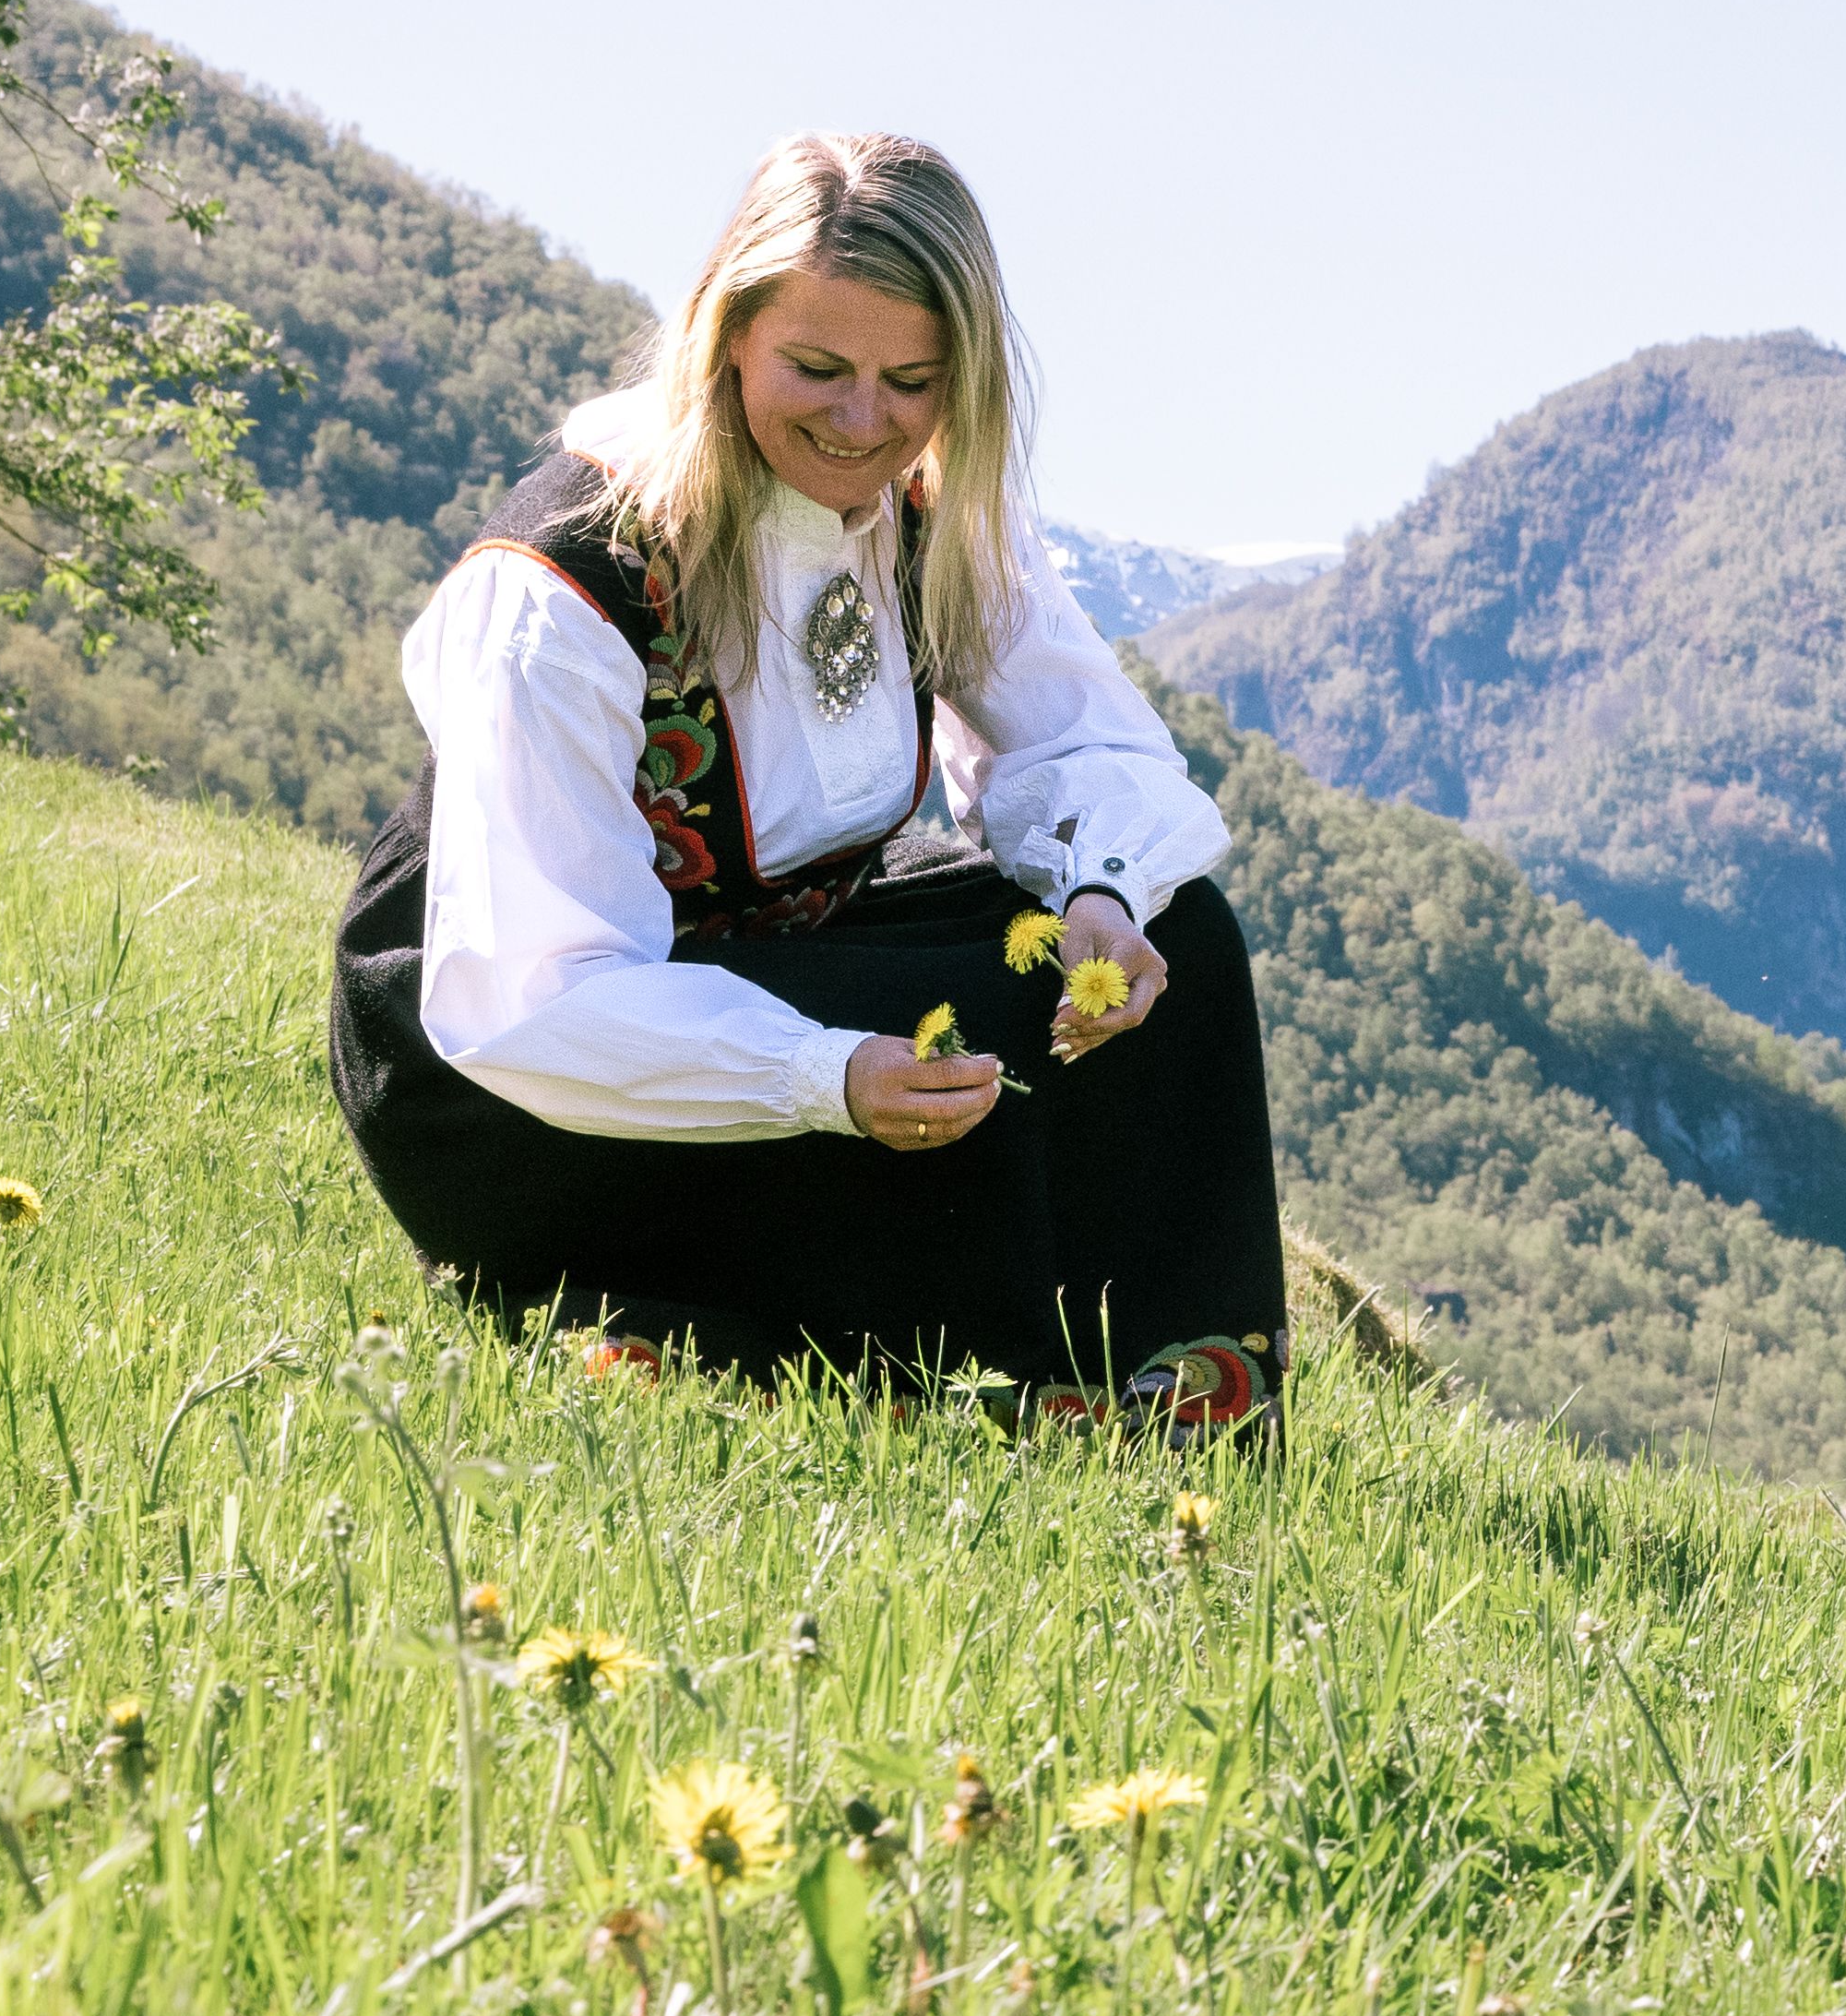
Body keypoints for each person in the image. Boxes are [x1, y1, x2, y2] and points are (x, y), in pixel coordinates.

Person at [326, 133, 1289, 1430]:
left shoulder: (928, 512)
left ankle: (1172, 1398)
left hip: (781, 952)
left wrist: (1103, 895)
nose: (862, 420)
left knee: (1169, 940)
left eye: (913, 381)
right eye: (818, 369)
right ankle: (856, 1366)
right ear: (728, 336)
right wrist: (819, 1073)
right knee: (952, 1048)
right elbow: (531, 997)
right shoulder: (558, 588)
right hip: (518, 1073)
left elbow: (1085, 745)